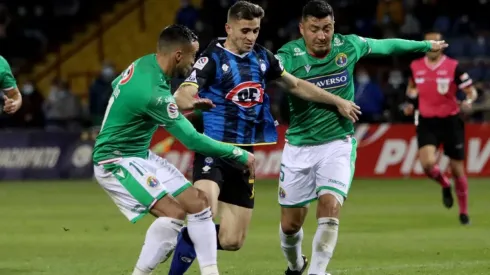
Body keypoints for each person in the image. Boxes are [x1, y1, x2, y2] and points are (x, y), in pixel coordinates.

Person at [168, 1, 361, 274]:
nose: (250, 37)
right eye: (245, 30)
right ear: (229, 28)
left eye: (255, 30)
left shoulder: (262, 57)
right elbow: (183, 93)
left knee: (232, 241)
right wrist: (191, 101)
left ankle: (187, 238)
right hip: (214, 148)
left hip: (245, 154)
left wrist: (337, 101)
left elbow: (295, 84)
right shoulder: (212, 58)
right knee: (203, 211)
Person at [273, 1, 449, 274]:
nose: (322, 35)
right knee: (290, 225)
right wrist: (336, 101)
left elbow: (387, 45)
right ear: (302, 29)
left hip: (337, 144)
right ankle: (295, 265)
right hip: (299, 147)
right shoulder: (288, 56)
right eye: (315, 29)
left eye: (327, 28)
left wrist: (425, 46)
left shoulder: (349, 46)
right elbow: (279, 79)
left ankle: (318, 272)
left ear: (334, 27)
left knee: (330, 206)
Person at [92, 24, 255, 275]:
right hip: (114, 160)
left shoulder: (143, 64)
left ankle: (211, 272)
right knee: (174, 213)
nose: (195, 62)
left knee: (199, 204)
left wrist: (174, 110)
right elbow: (193, 140)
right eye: (193, 55)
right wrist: (239, 153)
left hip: (139, 154)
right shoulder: (154, 94)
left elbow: (121, 89)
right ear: (179, 55)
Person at [404, 30, 476, 226]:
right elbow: (411, 88)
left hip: (451, 121)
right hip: (427, 121)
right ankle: (445, 184)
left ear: (441, 45)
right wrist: (411, 102)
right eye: (427, 43)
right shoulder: (415, 66)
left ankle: (463, 212)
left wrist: (468, 101)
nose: (431, 46)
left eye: (434, 42)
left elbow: (471, 91)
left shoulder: (453, 67)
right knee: (427, 164)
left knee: (457, 169)